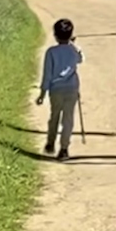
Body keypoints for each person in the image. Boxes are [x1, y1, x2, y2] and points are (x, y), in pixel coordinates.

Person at [37, 18, 82, 161]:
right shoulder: (73, 50)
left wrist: (43, 92)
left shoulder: (51, 52)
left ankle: (50, 143)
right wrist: (73, 45)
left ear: (55, 35)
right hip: (71, 88)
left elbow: (47, 74)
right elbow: (81, 59)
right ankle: (64, 148)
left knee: (54, 116)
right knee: (68, 119)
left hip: (55, 89)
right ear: (71, 35)